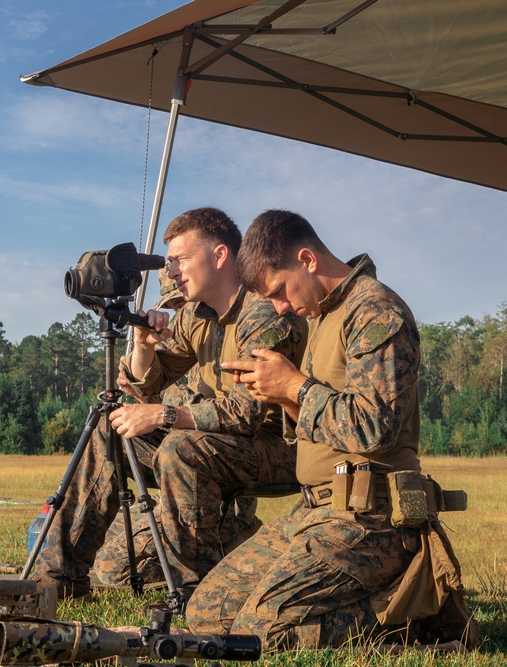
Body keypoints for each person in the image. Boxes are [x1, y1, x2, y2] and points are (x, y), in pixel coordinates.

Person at [188, 209, 475, 649]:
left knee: (259, 633)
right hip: (316, 513)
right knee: (205, 611)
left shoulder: (375, 310)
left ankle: (415, 619)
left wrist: (296, 387)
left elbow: (375, 426)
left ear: (307, 258)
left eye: (280, 291)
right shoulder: (323, 317)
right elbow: (323, 422)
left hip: (372, 518)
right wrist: (280, 396)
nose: (282, 307)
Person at [32, 207, 306, 601]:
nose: (172, 271)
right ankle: (59, 578)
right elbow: (148, 383)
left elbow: (247, 413)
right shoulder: (198, 314)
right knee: (112, 429)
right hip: (219, 440)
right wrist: (144, 345)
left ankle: (195, 588)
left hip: (278, 446)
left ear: (220, 255)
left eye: (181, 260)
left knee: (182, 446)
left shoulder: (261, 313)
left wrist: (164, 415)